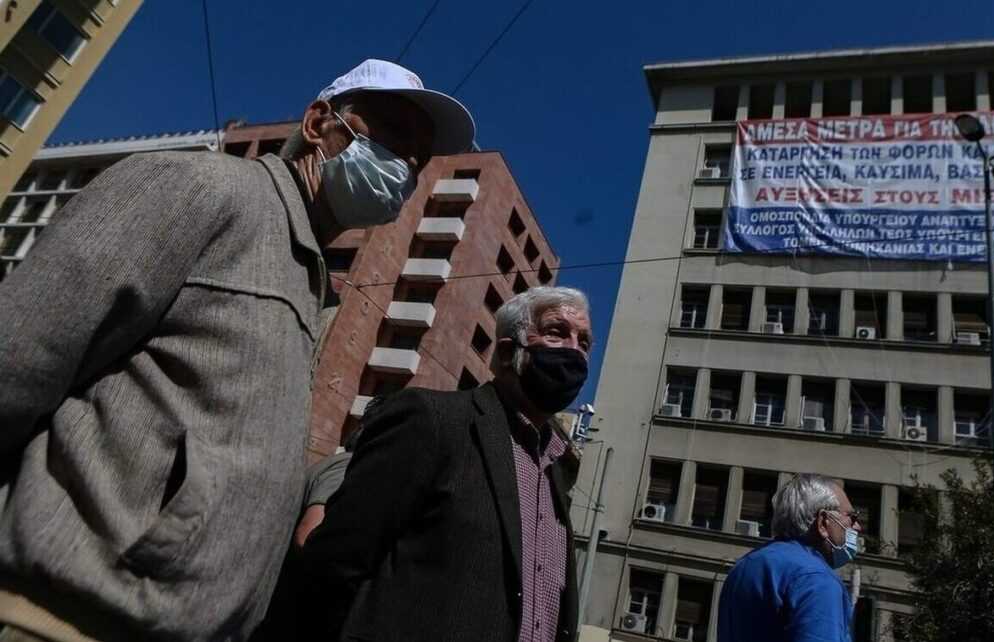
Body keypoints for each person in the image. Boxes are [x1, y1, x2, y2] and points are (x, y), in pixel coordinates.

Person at [0, 58, 474, 642]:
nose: (403, 168)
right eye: (393, 137)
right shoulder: (200, 187)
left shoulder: (314, 282)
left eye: (417, 161)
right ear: (318, 122)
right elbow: (18, 355)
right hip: (59, 616)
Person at [300, 286, 592, 642]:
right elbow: (332, 565)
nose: (575, 351)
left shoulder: (556, 473)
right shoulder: (433, 421)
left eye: (584, 343)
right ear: (506, 352)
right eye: (556, 332)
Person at [717, 474, 863, 642]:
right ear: (823, 523)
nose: (858, 527)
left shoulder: (746, 564)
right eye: (852, 518)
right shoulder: (816, 579)